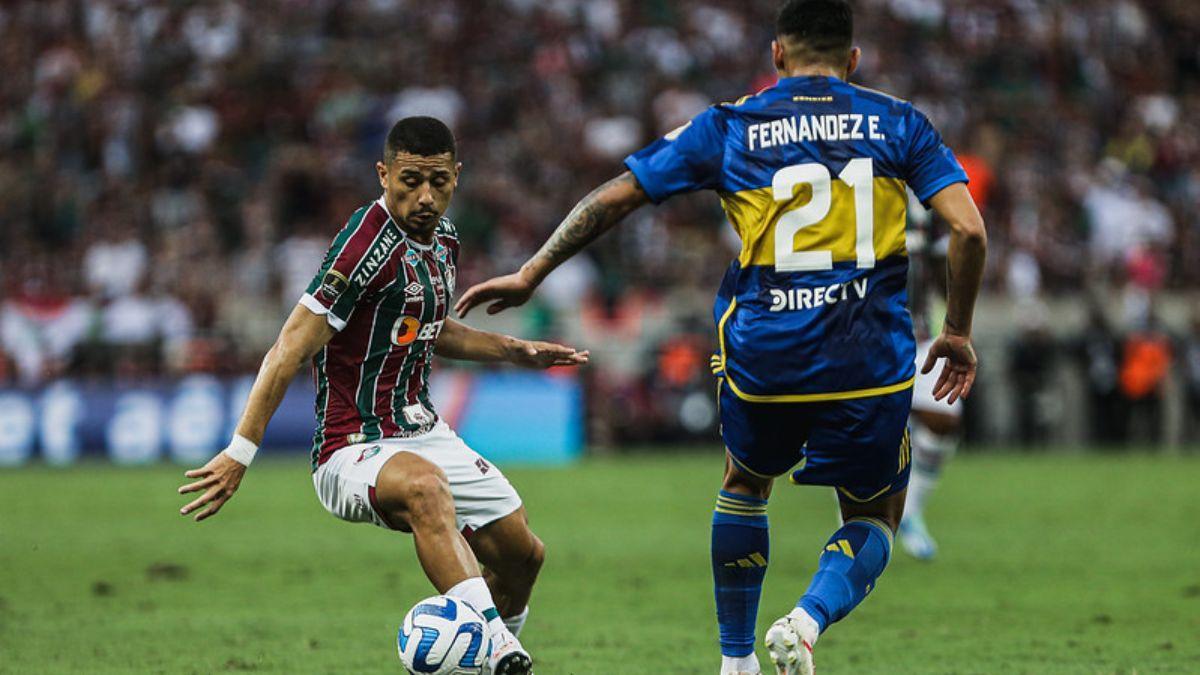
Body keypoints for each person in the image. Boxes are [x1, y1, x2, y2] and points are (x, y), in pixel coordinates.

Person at [456, 2, 987, 673]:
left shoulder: (733, 123)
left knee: (744, 482)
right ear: (854, 61)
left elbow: (618, 195)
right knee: (875, 514)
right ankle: (807, 617)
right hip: (868, 357)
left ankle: (735, 661)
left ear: (777, 56)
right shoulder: (897, 121)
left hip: (767, 353)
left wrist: (533, 271)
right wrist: (959, 331)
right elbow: (968, 230)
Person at [178, 116, 589, 675]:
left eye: (438, 181)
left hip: (423, 430)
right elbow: (288, 349)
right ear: (384, 173)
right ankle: (495, 649)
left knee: (523, 556)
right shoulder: (362, 247)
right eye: (410, 180)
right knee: (424, 487)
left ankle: (489, 649)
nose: (424, 196)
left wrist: (517, 351)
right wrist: (240, 451)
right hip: (351, 446)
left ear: (456, 177)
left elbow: (432, 327)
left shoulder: (444, 239)